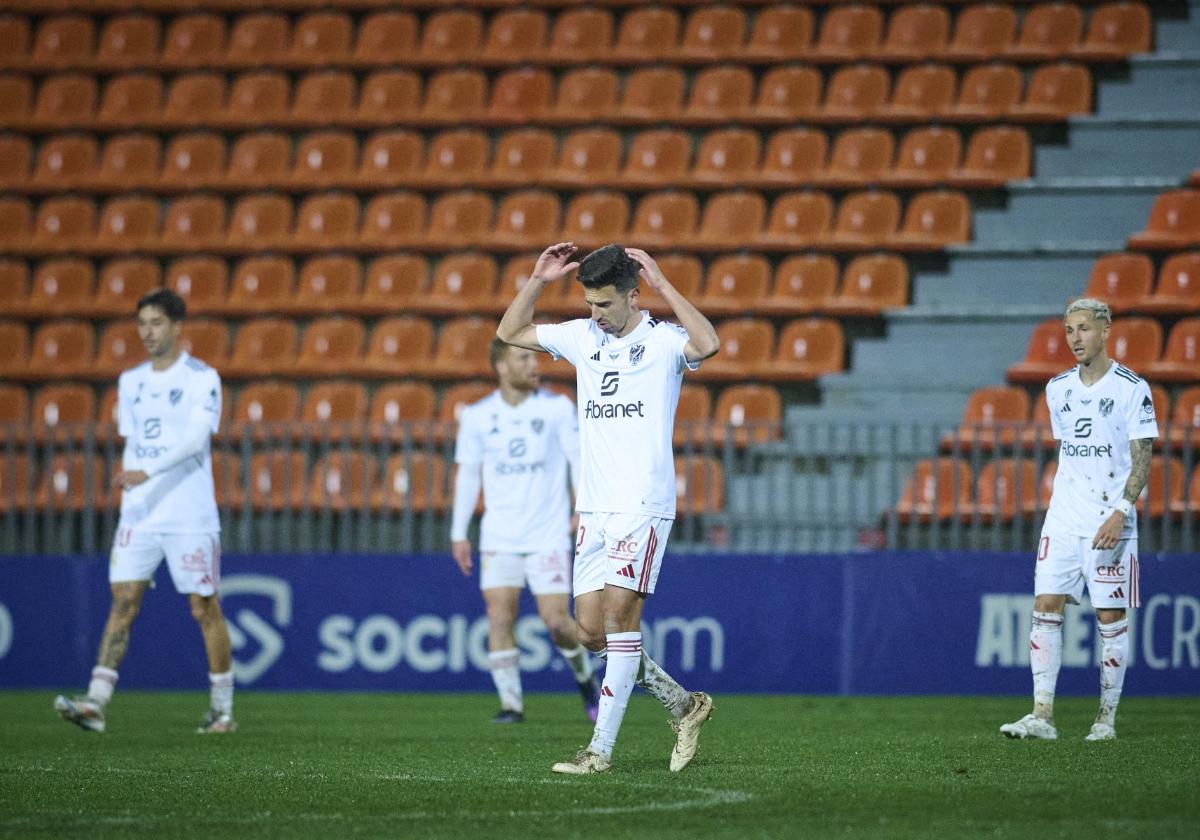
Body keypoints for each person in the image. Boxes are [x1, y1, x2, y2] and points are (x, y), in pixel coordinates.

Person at [497, 241, 721, 775]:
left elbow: (708, 343)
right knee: (591, 632)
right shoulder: (580, 336)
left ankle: (598, 751)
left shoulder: (663, 343)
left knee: (621, 620)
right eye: (590, 303)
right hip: (595, 508)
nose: (595, 314)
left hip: (642, 504)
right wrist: (537, 280)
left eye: (604, 304)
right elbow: (510, 333)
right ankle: (684, 704)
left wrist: (667, 285)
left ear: (632, 295)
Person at [54, 288, 236, 734]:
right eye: (142, 324)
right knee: (123, 601)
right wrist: (133, 490)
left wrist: (146, 471)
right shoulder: (131, 381)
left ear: (177, 326)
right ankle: (96, 703)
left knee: (204, 607)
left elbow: (196, 440)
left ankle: (221, 709)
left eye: (156, 323)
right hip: (140, 514)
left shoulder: (201, 378)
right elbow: (133, 443)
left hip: (189, 513)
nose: (147, 333)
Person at [1001, 298, 1157, 742]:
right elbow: (1072, 453)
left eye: (1085, 329)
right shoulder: (1058, 389)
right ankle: (1042, 716)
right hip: (1064, 519)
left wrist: (1121, 512)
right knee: (1044, 607)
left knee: (1109, 616)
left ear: (1106, 330)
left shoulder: (1131, 388)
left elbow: (1141, 458)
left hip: (1112, 519)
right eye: (1070, 330)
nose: (1076, 339)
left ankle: (1105, 720)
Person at [451, 337, 601, 724]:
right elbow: (468, 474)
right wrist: (458, 532)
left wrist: (581, 508)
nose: (534, 366)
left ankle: (585, 678)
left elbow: (577, 458)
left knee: (555, 620)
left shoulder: (556, 408)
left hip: (547, 532)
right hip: (499, 534)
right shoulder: (478, 416)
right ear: (501, 367)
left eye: (534, 360)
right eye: (523, 359)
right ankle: (511, 705)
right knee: (499, 616)